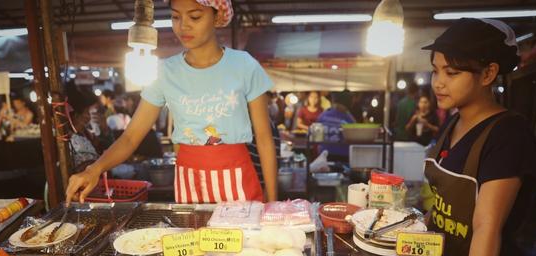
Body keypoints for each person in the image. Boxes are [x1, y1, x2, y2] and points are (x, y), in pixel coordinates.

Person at [66, 0, 277, 204]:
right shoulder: (165, 72)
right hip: (191, 183)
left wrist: (273, 198)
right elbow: (131, 137)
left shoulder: (244, 65)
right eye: (176, 16)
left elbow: (264, 138)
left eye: (195, 16)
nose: (183, 25)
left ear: (218, 16)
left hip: (238, 181)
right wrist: (94, 169)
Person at [422, 18, 536, 256]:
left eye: (452, 72)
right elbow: (439, 200)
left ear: (488, 74)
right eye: (435, 70)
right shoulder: (453, 123)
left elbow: (488, 226)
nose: (438, 83)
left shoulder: (508, 135)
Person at [66, 82, 101, 173]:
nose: (89, 117)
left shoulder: (86, 133)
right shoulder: (68, 139)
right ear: (76, 116)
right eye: (86, 112)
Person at [315, 89, 355, 160]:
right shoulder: (348, 118)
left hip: (326, 155)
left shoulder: (323, 115)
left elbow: (316, 136)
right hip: (338, 156)